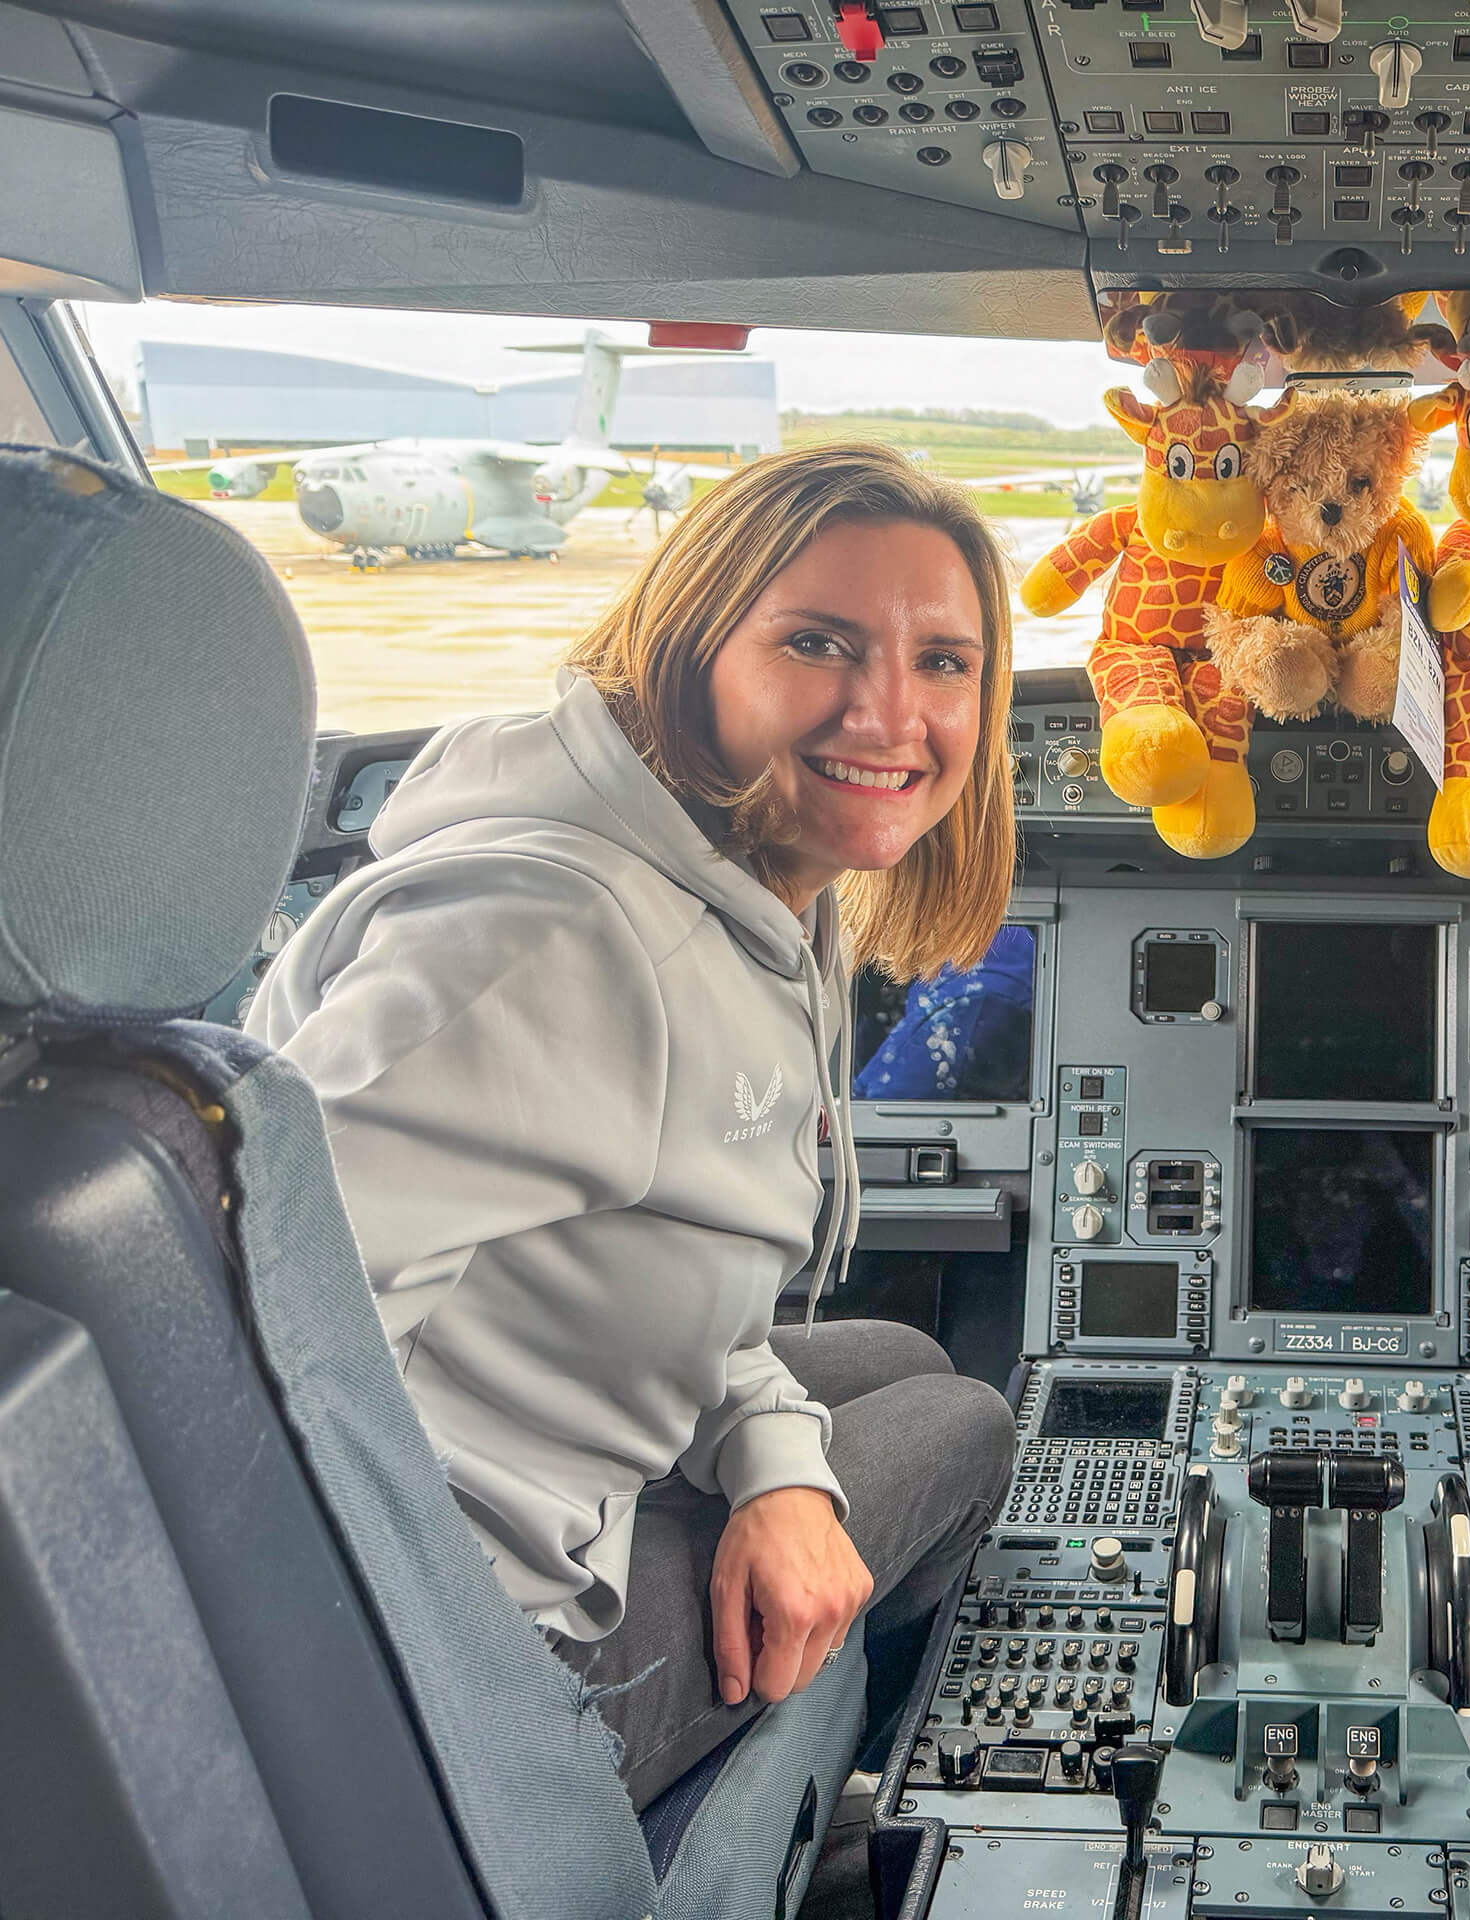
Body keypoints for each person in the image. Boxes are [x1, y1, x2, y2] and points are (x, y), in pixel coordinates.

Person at [250, 444, 1021, 1806]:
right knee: (961, 1421)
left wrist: (780, 1474)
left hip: (544, 1470)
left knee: (897, 1350)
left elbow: (689, 1278)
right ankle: (844, 1828)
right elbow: (245, 1362)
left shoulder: (739, 876)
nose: (889, 713)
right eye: (819, 643)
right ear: (687, 648)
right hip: (468, 1660)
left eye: (944, 661)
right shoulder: (553, 938)